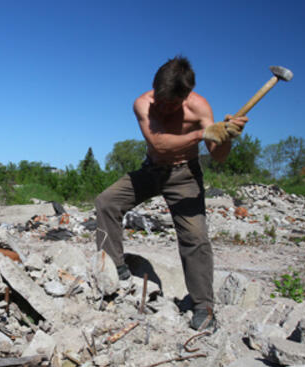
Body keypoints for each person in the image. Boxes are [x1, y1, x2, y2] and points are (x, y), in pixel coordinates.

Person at [94, 56, 248, 330]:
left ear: (186, 96)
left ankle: (203, 306)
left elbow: (219, 156)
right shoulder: (143, 103)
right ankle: (114, 268)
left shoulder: (199, 108)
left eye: (172, 104)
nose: (164, 108)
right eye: (161, 100)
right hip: (153, 169)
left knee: (195, 237)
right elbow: (159, 144)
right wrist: (201, 135)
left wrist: (227, 136)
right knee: (107, 202)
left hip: (185, 175)